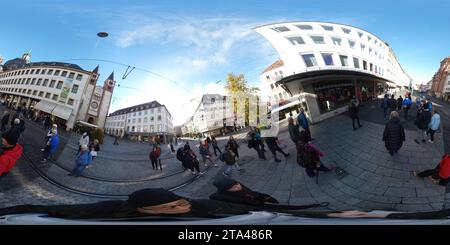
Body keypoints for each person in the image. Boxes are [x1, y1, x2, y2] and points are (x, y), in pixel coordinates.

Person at [210, 177, 279, 206]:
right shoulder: (225, 197)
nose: (238, 187)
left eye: (237, 184)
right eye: (233, 187)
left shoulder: (240, 187)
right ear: (227, 190)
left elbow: (252, 193)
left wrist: (267, 198)